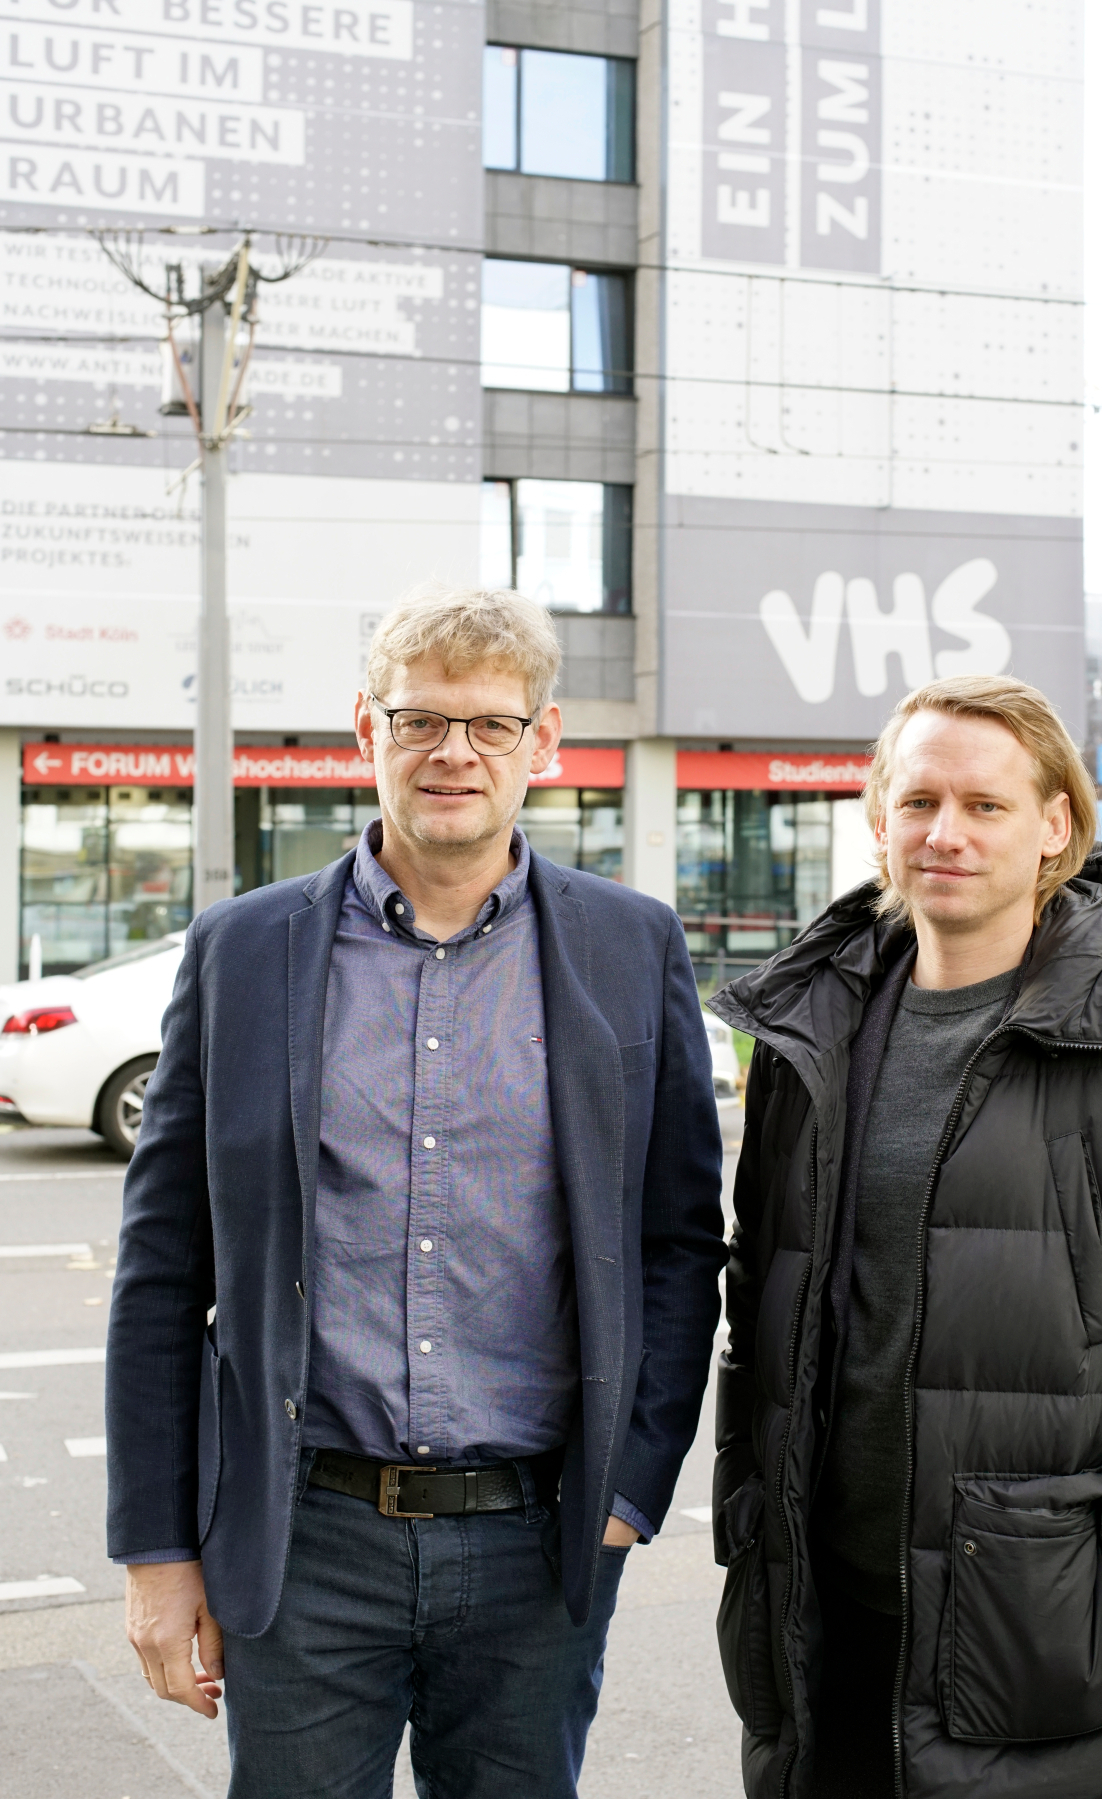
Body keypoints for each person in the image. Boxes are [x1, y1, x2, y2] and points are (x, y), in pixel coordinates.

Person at [105, 584, 726, 1799]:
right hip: (303, 1538)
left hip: (539, 1540)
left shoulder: (630, 944)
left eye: (492, 723)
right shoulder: (243, 950)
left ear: (544, 741)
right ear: (367, 729)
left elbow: (676, 1240)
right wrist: (155, 1550)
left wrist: (631, 1488)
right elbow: (163, 1273)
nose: (454, 751)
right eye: (421, 718)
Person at [708, 674, 1102, 1799]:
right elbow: (758, 1296)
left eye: (985, 805)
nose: (946, 833)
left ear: (1055, 825)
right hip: (823, 1616)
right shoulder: (806, 1030)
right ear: (879, 819)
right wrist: (749, 1514)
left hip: (1049, 1622)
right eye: (920, 800)